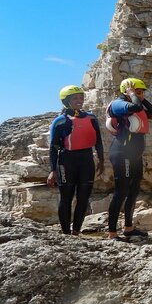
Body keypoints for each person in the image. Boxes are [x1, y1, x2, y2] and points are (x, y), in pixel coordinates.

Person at [106, 77, 152, 241]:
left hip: (135, 154)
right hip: (122, 152)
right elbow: (135, 106)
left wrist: (141, 98)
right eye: (137, 91)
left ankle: (128, 228)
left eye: (142, 91)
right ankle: (112, 232)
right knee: (121, 191)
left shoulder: (137, 103)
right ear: (126, 91)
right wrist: (131, 94)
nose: (140, 94)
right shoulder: (118, 104)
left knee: (134, 190)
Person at [47, 85, 104, 235]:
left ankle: (76, 231)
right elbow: (53, 147)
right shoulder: (60, 121)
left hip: (86, 160)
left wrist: (101, 161)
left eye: (81, 97)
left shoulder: (91, 117)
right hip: (66, 161)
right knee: (66, 198)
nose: (79, 101)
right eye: (75, 98)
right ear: (66, 101)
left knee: (83, 198)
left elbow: (98, 141)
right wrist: (53, 170)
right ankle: (66, 232)